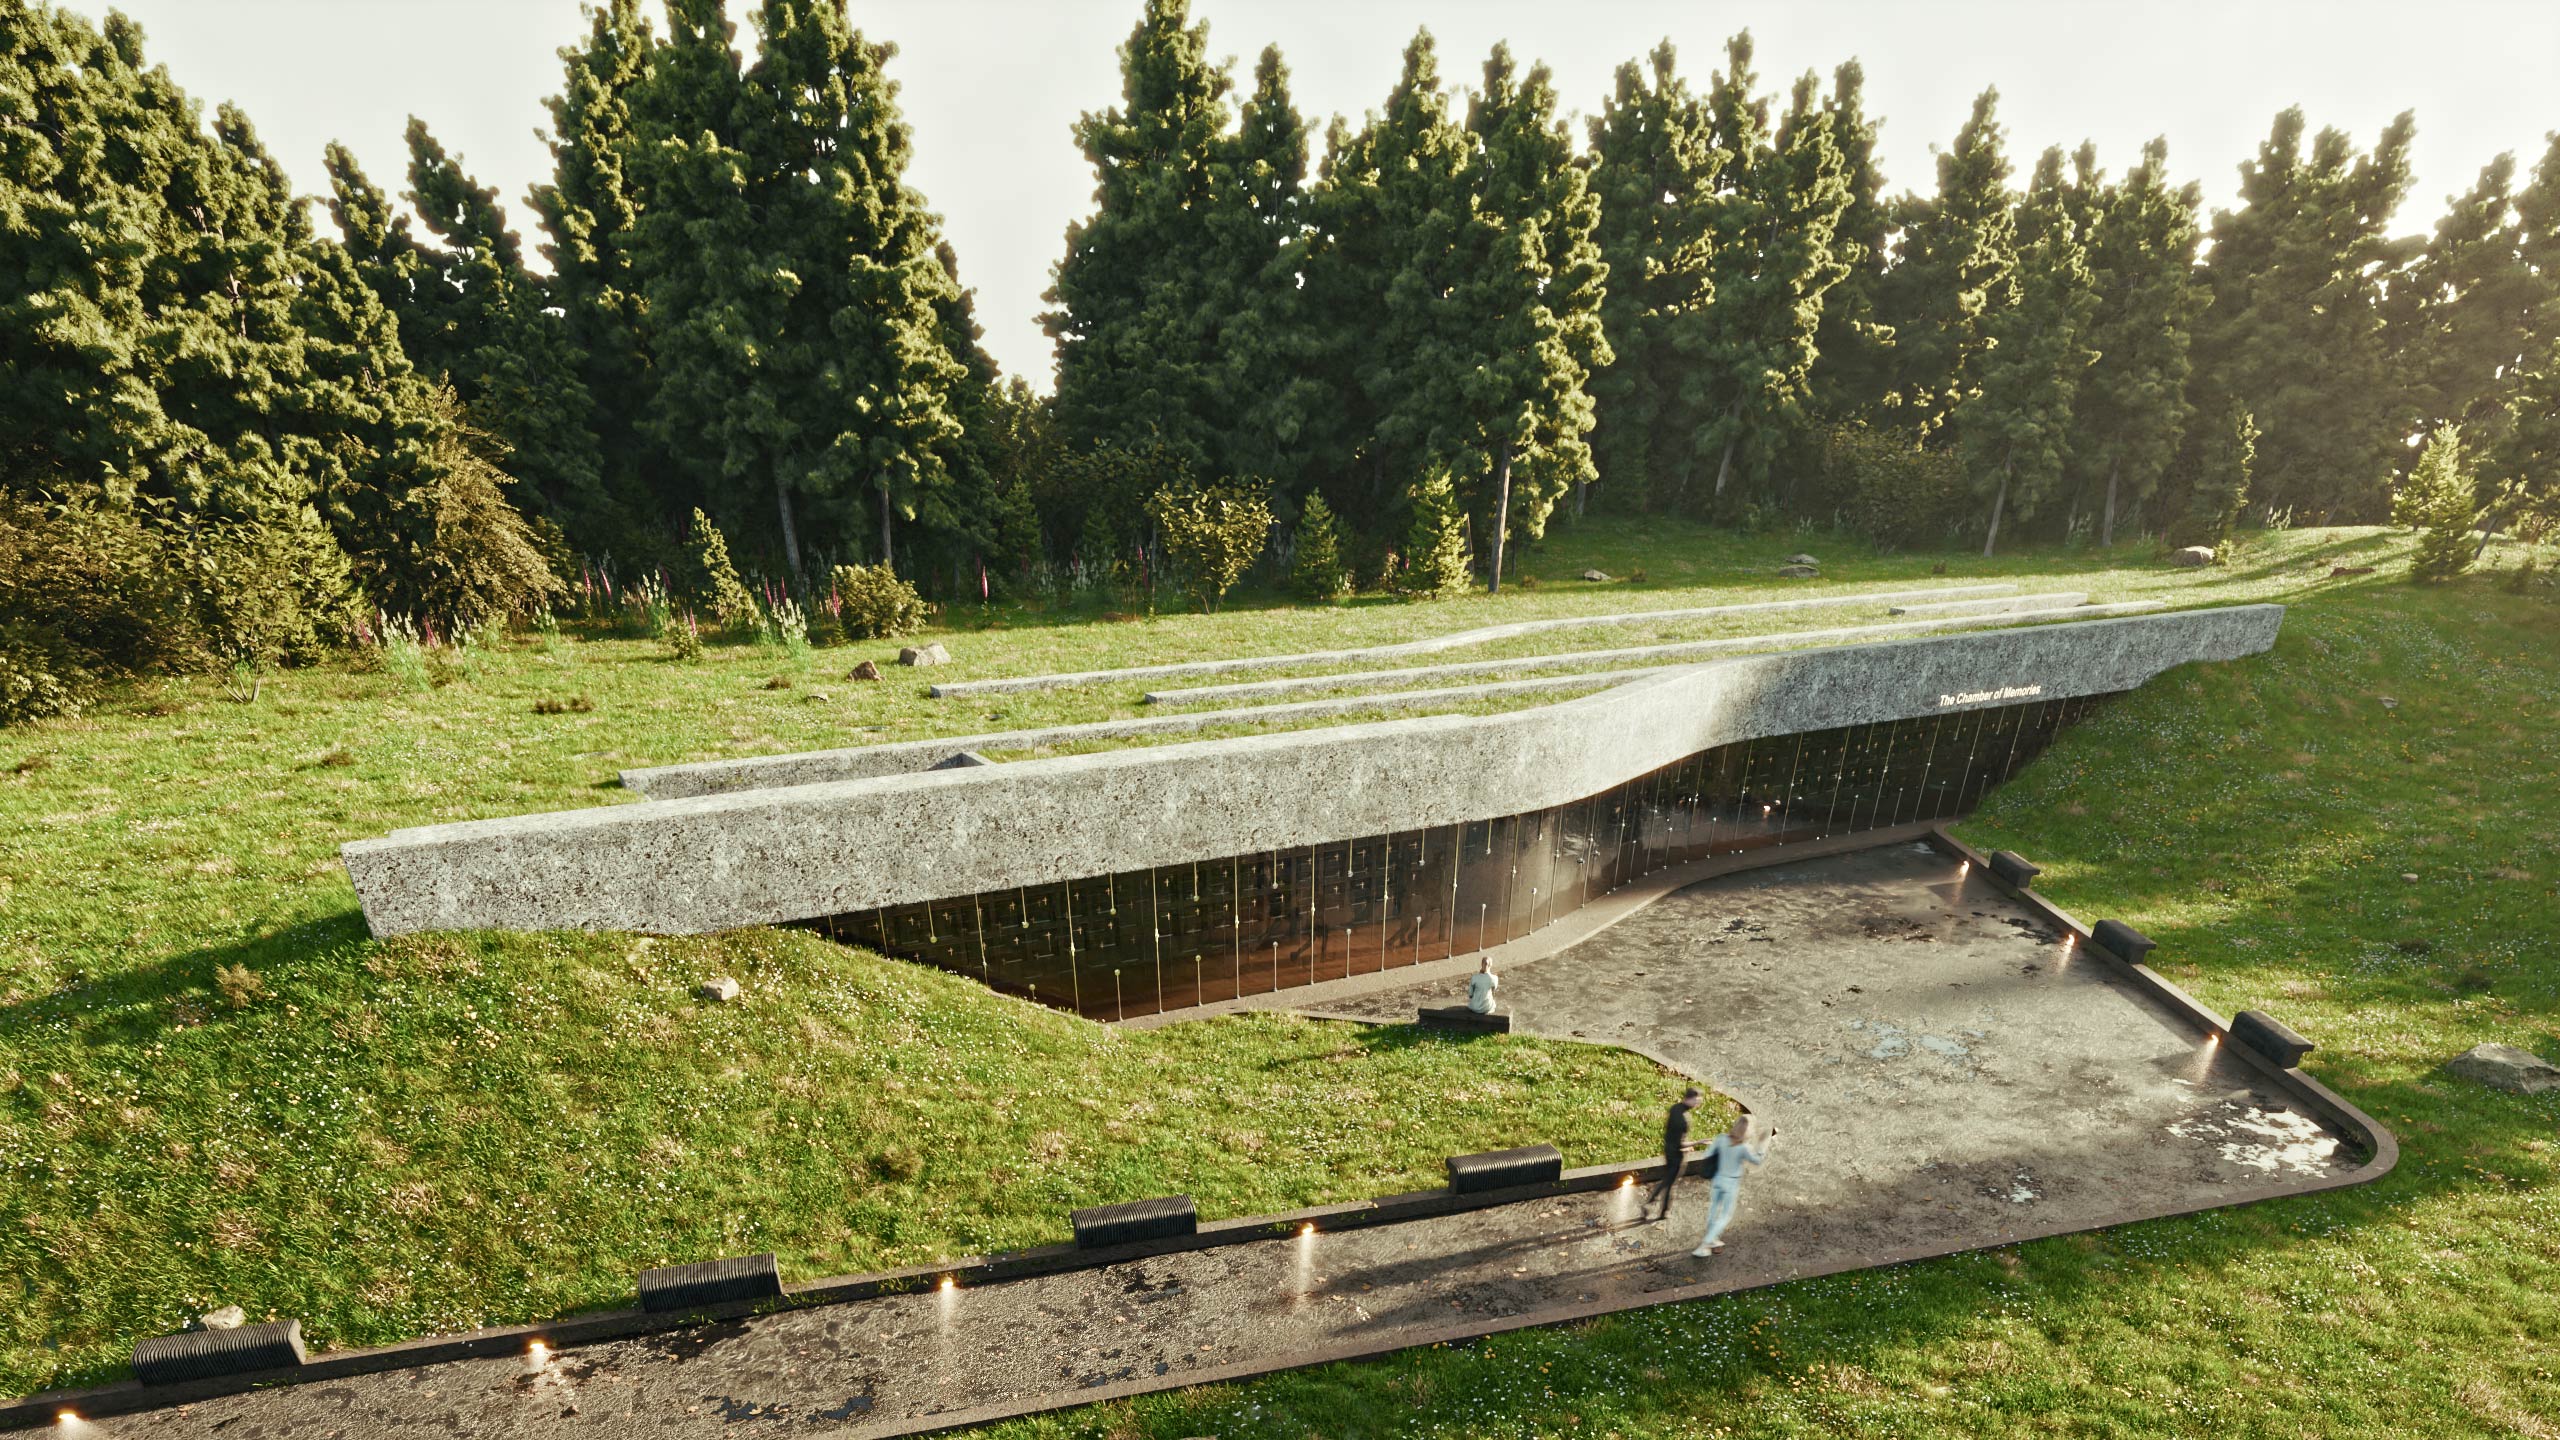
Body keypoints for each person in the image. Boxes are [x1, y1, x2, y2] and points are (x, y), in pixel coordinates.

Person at [1689, 1114, 1775, 1257]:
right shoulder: (1744, 1148)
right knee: (1725, 1215)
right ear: (1748, 1131)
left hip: (1717, 1179)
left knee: (1713, 1210)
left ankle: (1712, 1239)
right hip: (1731, 1183)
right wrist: (1761, 1146)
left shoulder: (1721, 1138)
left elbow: (1708, 1154)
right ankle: (1705, 1244)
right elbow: (1757, 1161)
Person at [1641, 1087, 1706, 1222]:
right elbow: (1680, 1144)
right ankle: (1660, 1209)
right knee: (1670, 1183)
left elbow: (1673, 1136)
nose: (1697, 1104)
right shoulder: (1683, 1119)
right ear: (1689, 1099)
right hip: (1677, 1155)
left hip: (1668, 1150)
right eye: (1696, 1101)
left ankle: (1655, 1206)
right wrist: (1697, 1143)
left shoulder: (1675, 1108)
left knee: (1668, 1180)